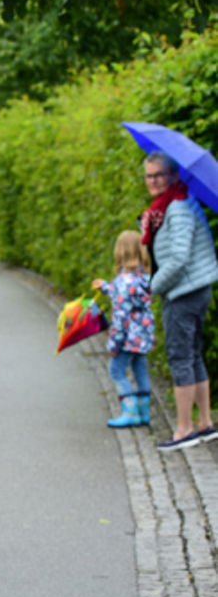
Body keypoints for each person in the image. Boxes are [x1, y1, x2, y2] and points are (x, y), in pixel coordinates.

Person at [140, 150, 218, 450]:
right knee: (193, 354)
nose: (154, 181)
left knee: (180, 357)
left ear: (174, 176)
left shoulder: (178, 207)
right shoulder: (169, 205)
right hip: (193, 289)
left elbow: (178, 260)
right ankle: (205, 423)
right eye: (149, 175)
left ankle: (184, 430)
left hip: (184, 292)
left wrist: (152, 287)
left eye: (160, 175)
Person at [92, 231, 155, 428]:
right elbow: (128, 299)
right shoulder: (144, 278)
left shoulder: (124, 282)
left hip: (127, 337)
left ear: (120, 253)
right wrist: (106, 287)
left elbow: (121, 316)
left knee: (116, 370)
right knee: (140, 370)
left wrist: (114, 343)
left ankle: (129, 413)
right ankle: (144, 413)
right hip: (142, 335)